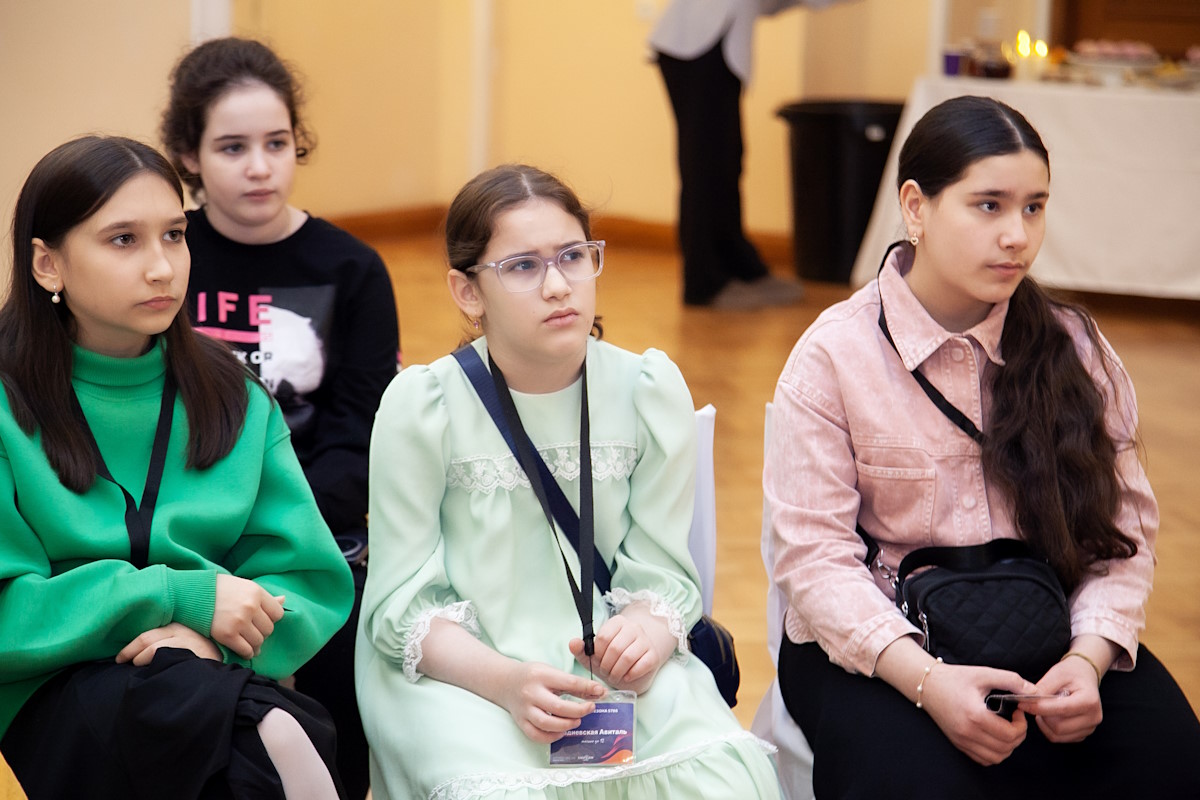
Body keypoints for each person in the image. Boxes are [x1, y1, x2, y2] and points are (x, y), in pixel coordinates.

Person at [763, 95, 1200, 798]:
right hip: (885, 645)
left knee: (1172, 761)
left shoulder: (1076, 349)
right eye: (988, 205)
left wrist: (1087, 660)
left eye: (1034, 207)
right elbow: (814, 563)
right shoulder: (834, 357)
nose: (1017, 236)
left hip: (1045, 627)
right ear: (916, 207)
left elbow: (1122, 539)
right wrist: (927, 682)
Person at [355, 164, 781, 799]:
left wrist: (647, 633)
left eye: (573, 256)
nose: (558, 286)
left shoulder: (646, 390)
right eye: (523, 266)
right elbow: (401, 607)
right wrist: (505, 682)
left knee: (728, 781)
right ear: (468, 291)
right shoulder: (424, 407)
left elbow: (663, 570)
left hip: (608, 668)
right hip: (463, 675)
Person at [0, 135, 354, 798]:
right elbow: (8, 614)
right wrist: (177, 597)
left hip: (213, 669)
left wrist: (204, 639)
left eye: (174, 235)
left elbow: (308, 579)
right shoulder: (5, 400)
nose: (162, 268)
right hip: (54, 683)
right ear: (48, 264)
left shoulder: (232, 394)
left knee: (250, 736)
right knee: (267, 739)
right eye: (123, 240)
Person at [161, 37, 400, 799]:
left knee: (345, 671)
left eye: (277, 143)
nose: (260, 166)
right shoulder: (164, 259)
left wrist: (277, 537)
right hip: (181, 535)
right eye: (232, 147)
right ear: (190, 157)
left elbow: (359, 436)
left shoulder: (352, 268)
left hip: (314, 533)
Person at [650, 0, 815, 309]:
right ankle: (703, 284)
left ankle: (738, 265)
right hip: (697, 45)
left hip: (711, 45)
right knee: (704, 166)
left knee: (726, 162)